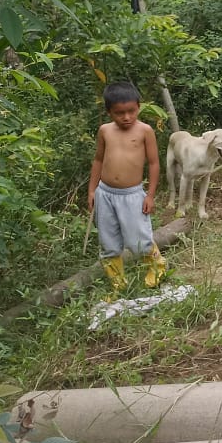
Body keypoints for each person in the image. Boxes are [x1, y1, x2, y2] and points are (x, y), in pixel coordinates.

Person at [87, 81, 166, 291]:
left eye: (131, 111)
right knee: (108, 241)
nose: (127, 117)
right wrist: (92, 190)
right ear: (109, 112)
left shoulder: (145, 131)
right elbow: (98, 160)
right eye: (119, 113)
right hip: (105, 194)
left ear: (139, 107)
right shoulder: (105, 131)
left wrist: (150, 196)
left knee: (138, 238)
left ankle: (157, 267)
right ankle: (118, 283)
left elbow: (154, 163)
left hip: (132, 195)